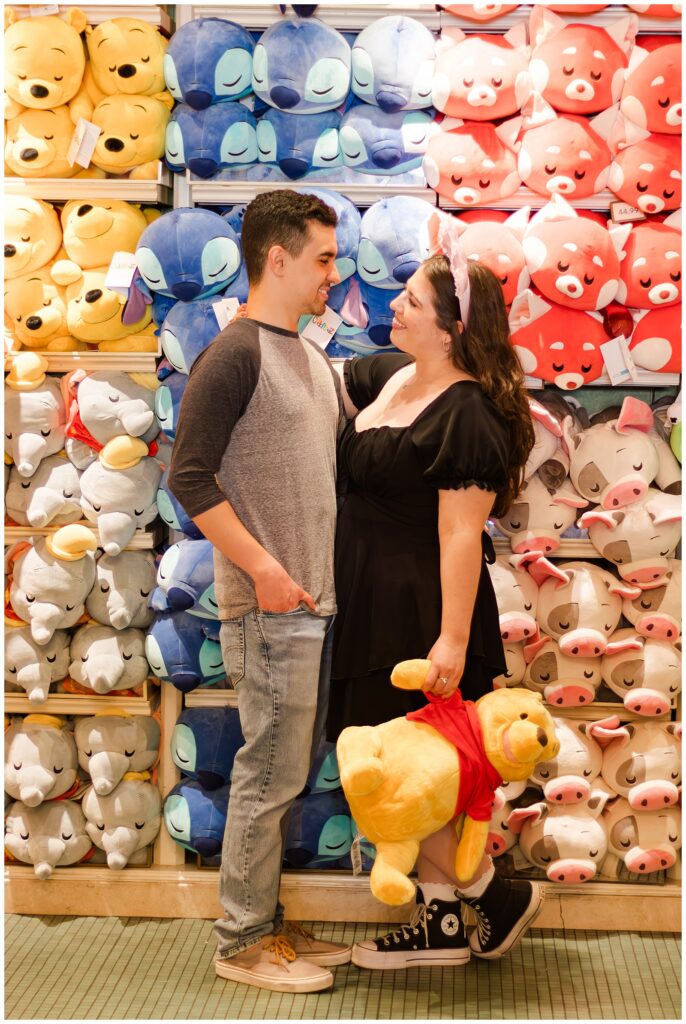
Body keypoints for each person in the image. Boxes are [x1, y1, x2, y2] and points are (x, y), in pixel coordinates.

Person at [326, 211, 541, 970]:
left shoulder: (469, 413)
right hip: (369, 600)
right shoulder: (390, 378)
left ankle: (468, 903)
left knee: (427, 766)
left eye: (412, 300)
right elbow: (319, 374)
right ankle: (459, 911)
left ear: (449, 330)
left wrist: (451, 638)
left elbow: (459, 534)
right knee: (402, 766)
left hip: (421, 609)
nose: (396, 305)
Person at [168, 190, 352, 994]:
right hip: (271, 607)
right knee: (268, 771)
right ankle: (241, 941)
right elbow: (189, 476)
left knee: (284, 770)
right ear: (275, 258)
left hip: (312, 604)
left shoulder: (308, 354)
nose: (332, 274)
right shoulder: (234, 353)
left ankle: (265, 923)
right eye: (321, 258)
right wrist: (266, 568)